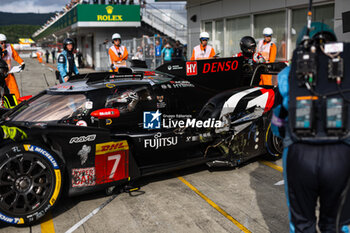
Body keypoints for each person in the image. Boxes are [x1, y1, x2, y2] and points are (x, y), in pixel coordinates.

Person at [271, 22, 350, 233]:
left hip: (299, 152)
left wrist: (280, 134)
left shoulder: (287, 74)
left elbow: (277, 121)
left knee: (302, 224)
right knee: (337, 223)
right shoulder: (346, 71)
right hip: (341, 153)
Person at [0, 33, 25, 100]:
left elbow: (16, 56)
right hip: (1, 75)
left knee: (15, 90)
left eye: (5, 42)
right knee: (3, 92)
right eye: (1, 43)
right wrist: (2, 54)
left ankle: (17, 105)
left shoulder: (9, 47)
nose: (4, 44)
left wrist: (22, 62)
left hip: (9, 73)